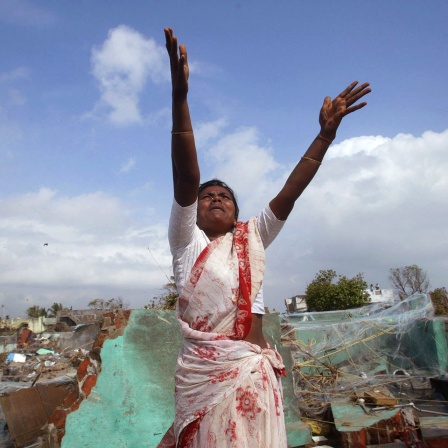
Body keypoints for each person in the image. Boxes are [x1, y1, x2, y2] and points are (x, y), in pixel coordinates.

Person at [158, 28, 371, 448]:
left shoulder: (251, 236)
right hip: (206, 374)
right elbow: (187, 176)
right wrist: (180, 98)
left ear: (237, 212)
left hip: (253, 371)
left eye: (225, 197)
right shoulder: (188, 243)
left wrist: (325, 135)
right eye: (207, 198)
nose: (215, 199)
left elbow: (290, 194)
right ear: (195, 213)